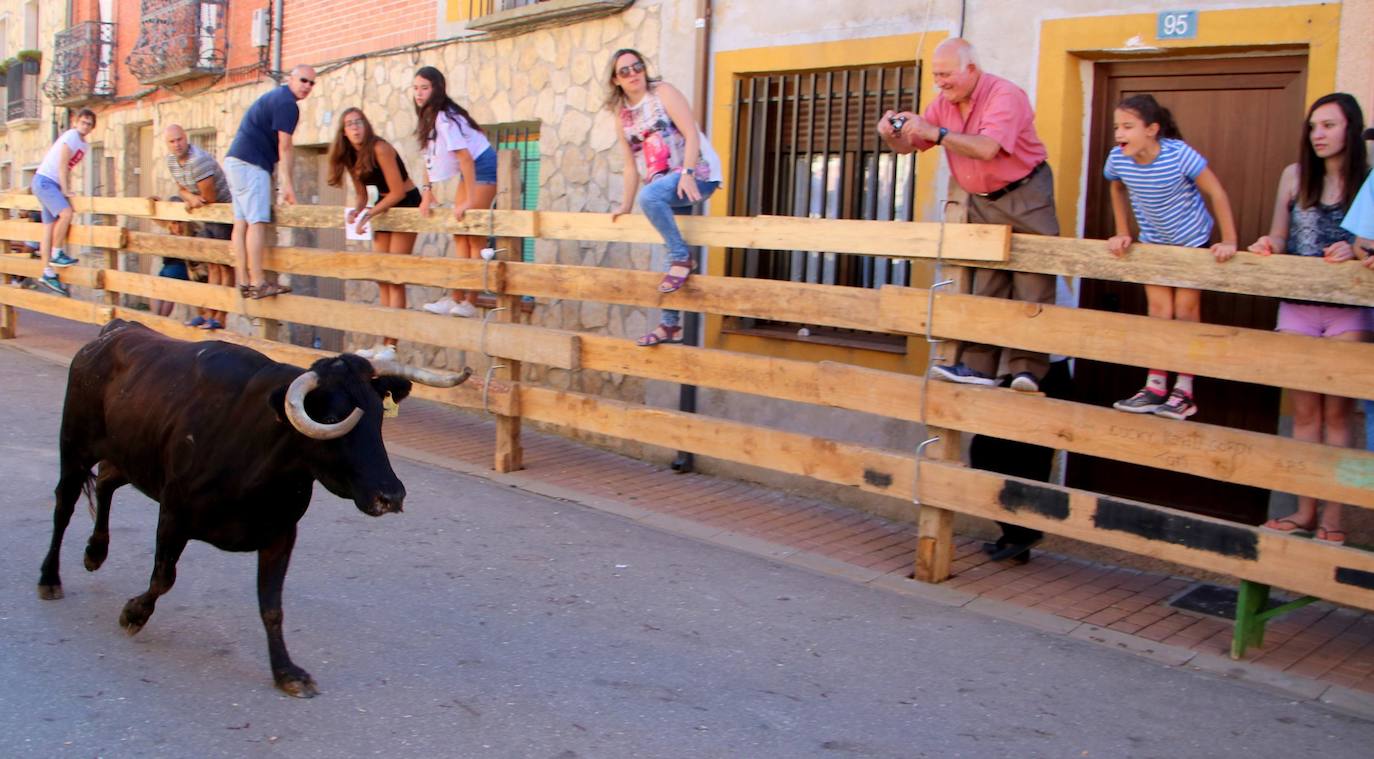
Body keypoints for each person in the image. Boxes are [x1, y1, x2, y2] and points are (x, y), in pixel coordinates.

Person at [878, 38, 1055, 392]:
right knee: (986, 283)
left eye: (945, 75)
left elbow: (987, 148)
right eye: (936, 75)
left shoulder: (1005, 95)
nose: (939, 82)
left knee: (1033, 280)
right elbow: (909, 147)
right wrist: (890, 135)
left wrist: (936, 133)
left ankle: (1027, 370)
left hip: (1026, 193)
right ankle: (979, 366)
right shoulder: (942, 104)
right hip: (982, 200)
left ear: (971, 69)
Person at [1252, 95, 1371, 546]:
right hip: (1296, 305)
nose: (1318, 134)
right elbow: (1280, 235)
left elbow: (1368, 244)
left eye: (1329, 125)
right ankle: (1304, 511)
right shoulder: (1294, 175)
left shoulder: (1368, 179)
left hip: (1349, 309)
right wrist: (1268, 244)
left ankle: (1333, 520)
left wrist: (1354, 252)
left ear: (1350, 129)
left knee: (1338, 415)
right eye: (1313, 126)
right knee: (1303, 414)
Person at [1104, 94, 1238, 421]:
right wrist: (1123, 231)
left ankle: (1185, 390)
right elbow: (1116, 188)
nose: (1119, 133)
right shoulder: (1118, 159)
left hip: (1192, 242)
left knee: (1185, 311)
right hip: (1154, 243)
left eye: (1128, 127)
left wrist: (1229, 240)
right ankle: (1155, 385)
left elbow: (1217, 192)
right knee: (1159, 311)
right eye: (1116, 127)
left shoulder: (1178, 154)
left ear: (1151, 129)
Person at [605, 48, 722, 347]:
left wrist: (688, 172)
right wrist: (625, 205)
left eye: (637, 67)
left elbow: (691, 133)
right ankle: (670, 325)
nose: (633, 74)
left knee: (651, 201)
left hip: (698, 175)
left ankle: (683, 258)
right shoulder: (623, 116)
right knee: (668, 250)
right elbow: (630, 166)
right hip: (666, 184)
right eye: (624, 71)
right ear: (616, 80)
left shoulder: (663, 92)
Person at [327, 107, 422, 361]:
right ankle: (382, 342)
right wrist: (357, 211)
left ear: (366, 125)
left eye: (359, 122)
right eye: (350, 124)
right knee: (381, 275)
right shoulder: (350, 156)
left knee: (394, 274)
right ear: (344, 132)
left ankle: (392, 346)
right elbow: (362, 194)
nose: (355, 127)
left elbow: (398, 192)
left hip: (405, 203)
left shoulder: (380, 148)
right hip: (383, 206)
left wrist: (369, 214)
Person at [225, 64, 315, 299]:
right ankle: (258, 282)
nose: (307, 86)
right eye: (303, 80)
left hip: (235, 161)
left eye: (311, 83)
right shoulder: (287, 104)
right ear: (291, 79)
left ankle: (243, 281)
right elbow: (285, 147)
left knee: (241, 222)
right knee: (256, 222)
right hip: (252, 164)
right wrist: (288, 186)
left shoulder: (275, 97)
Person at [412, 66, 496, 319]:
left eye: (424, 88)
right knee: (460, 234)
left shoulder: (445, 118)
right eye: (415, 88)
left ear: (437, 89)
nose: (419, 93)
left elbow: (466, 158)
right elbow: (428, 157)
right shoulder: (429, 118)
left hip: (482, 166)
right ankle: (456, 297)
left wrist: (470, 199)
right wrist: (427, 192)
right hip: (468, 169)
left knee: (473, 233)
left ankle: (470, 301)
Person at [164, 124, 233, 329]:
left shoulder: (199, 160)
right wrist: (189, 197)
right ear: (167, 144)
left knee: (224, 266)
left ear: (186, 138)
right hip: (206, 215)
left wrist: (193, 200)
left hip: (222, 212)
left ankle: (220, 317)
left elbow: (209, 198)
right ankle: (208, 313)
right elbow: (181, 188)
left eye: (180, 139)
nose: (177, 144)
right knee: (211, 265)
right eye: (172, 141)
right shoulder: (171, 161)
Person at [30, 108, 96, 297]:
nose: (85, 126)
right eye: (83, 122)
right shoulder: (71, 136)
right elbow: (62, 164)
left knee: (49, 228)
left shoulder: (84, 145)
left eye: (89, 124)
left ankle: (47, 272)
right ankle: (57, 253)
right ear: (76, 122)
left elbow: (69, 168)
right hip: (46, 181)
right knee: (66, 213)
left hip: (50, 183)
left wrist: (65, 187)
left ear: (92, 128)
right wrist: (65, 190)